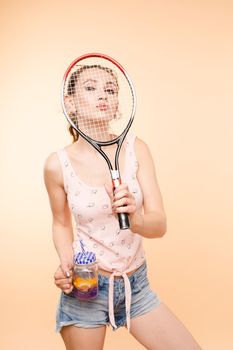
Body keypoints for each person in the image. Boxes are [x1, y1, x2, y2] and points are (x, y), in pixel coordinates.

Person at [44, 64, 202, 350]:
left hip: (135, 285)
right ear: (70, 104)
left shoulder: (136, 149)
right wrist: (67, 264)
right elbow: (61, 223)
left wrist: (135, 218)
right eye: (90, 88)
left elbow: (159, 224)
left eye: (110, 90)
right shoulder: (57, 165)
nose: (102, 96)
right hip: (86, 288)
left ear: (118, 103)